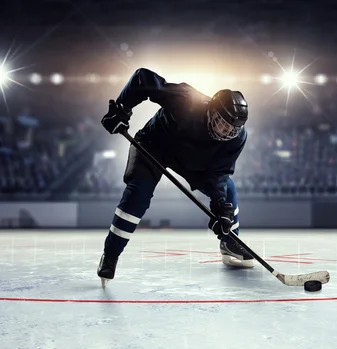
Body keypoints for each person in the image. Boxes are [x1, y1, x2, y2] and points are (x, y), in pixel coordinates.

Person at [96, 68, 253, 287]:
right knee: (137, 196)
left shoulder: (237, 139)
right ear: (211, 111)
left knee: (227, 191)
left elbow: (219, 172)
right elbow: (143, 78)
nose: (226, 133)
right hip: (154, 146)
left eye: (232, 130)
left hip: (192, 161)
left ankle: (230, 241)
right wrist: (123, 108)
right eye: (222, 124)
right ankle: (111, 254)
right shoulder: (187, 100)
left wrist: (219, 207)